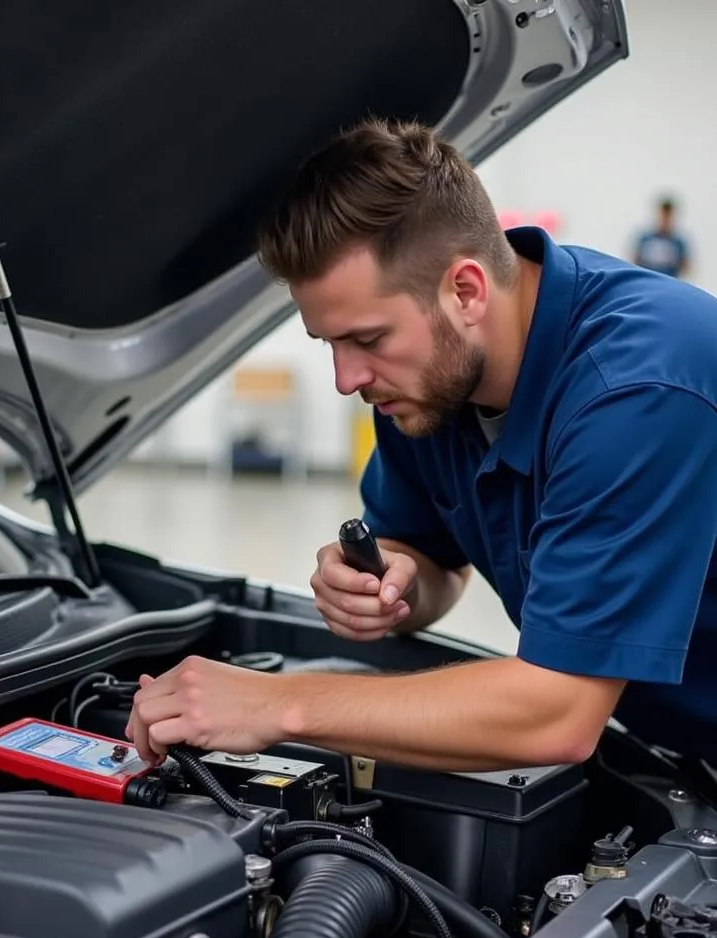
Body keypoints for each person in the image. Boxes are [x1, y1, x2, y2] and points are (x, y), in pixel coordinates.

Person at [126, 118, 717, 774]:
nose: (346, 379)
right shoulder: (427, 389)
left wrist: (278, 704)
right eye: (330, 344)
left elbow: (559, 709)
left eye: (369, 339)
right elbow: (432, 565)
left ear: (465, 291)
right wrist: (391, 584)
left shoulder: (637, 391)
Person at [632, 196, 690, 278]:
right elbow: (635, 260)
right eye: (663, 215)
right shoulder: (646, 239)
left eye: (668, 216)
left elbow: (686, 266)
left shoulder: (677, 242)